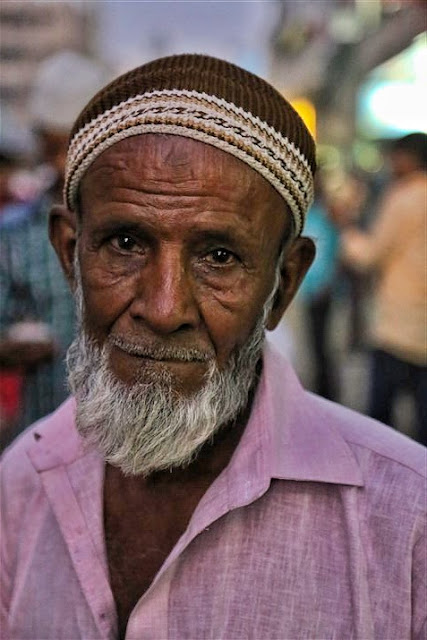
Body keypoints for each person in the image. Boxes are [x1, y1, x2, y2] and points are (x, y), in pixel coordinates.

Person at [1, 55, 425, 640]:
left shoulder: (407, 521)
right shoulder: (22, 481)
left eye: (219, 257)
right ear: (69, 256)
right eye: (125, 243)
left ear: (284, 285)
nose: (165, 307)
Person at [0, 51, 107, 445]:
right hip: (40, 436)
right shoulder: (14, 233)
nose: (63, 165)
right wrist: (13, 347)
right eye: (52, 150)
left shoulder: (134, 230)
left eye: (73, 149)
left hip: (123, 446)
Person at [342, 133, 427, 445]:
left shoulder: (403, 198)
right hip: (420, 328)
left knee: (381, 422)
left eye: (395, 157)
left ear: (407, 158)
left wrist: (347, 231)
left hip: (398, 326)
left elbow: (371, 256)